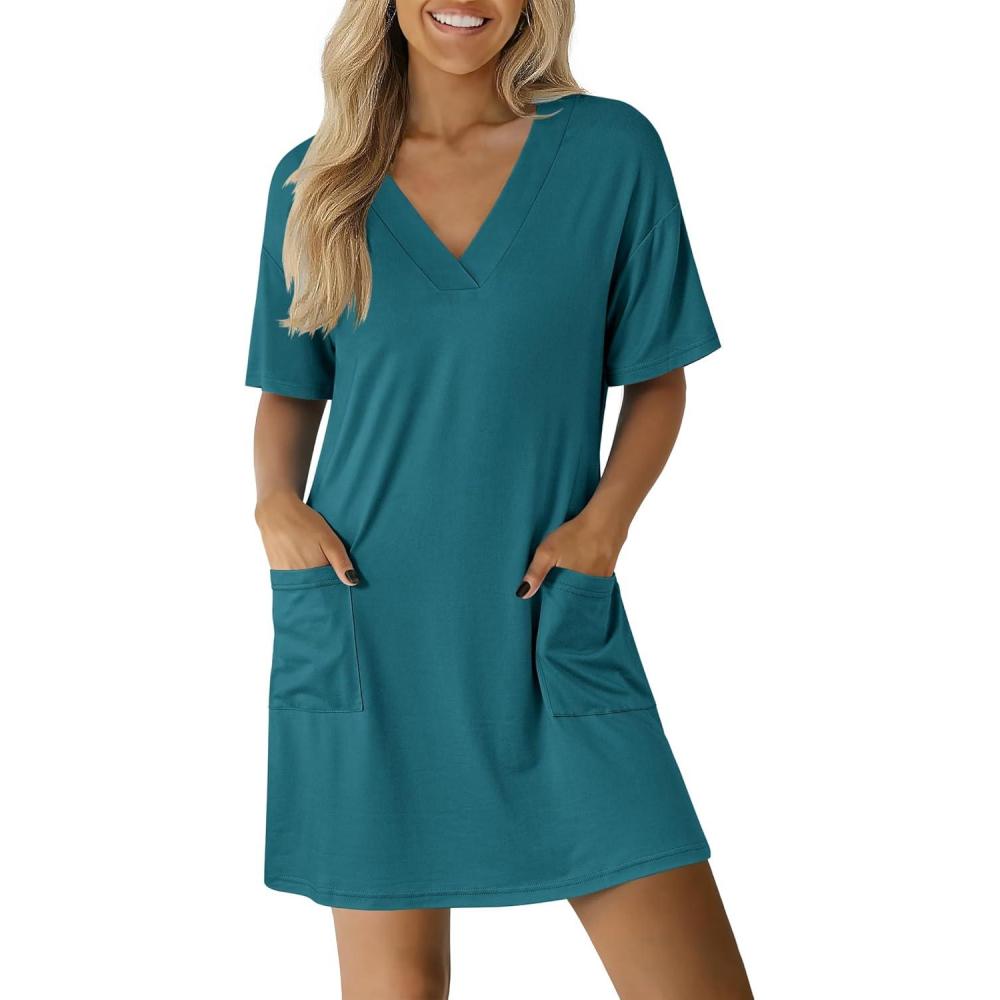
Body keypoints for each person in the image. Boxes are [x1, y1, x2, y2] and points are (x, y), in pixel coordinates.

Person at [245, 1, 752, 996]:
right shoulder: (318, 180)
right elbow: (291, 388)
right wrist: (274, 505)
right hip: (368, 621)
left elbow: (658, 377)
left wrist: (602, 528)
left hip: (545, 624)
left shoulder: (610, 152)